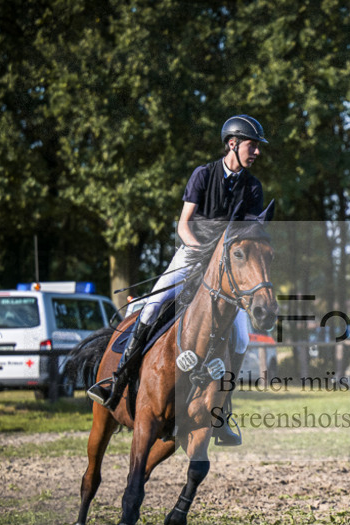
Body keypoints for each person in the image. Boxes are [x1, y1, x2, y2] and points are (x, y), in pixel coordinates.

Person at [88, 115, 269, 446]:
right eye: (252, 144)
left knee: (241, 339)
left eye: (256, 146)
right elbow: (183, 225)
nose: (256, 151)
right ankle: (116, 381)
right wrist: (202, 252)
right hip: (191, 252)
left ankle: (222, 411)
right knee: (152, 305)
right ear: (233, 143)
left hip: (226, 266)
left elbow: (249, 238)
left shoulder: (253, 188)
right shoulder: (203, 175)